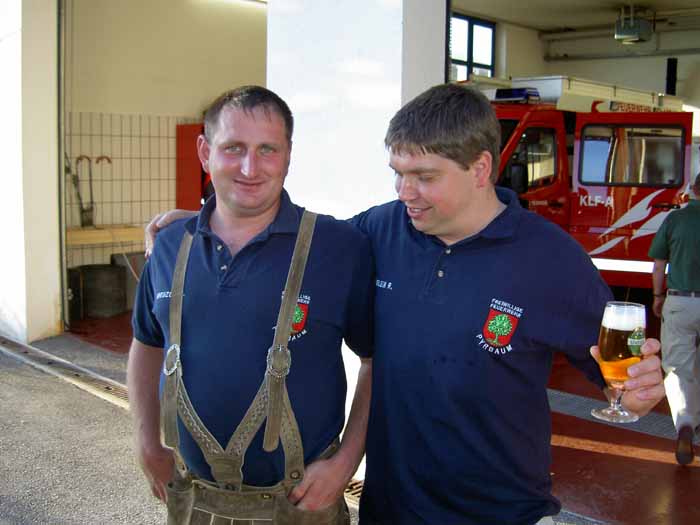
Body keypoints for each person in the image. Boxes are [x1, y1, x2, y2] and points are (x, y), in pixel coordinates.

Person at [146, 83, 665, 525]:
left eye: (424, 177)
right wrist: (205, 221)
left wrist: (639, 390)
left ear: (480, 168)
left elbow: (617, 376)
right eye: (397, 172)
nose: (404, 191)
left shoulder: (551, 260)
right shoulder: (380, 230)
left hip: (500, 510)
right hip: (391, 508)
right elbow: (294, 240)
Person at [128, 85, 374, 524]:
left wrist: (346, 462)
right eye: (233, 148)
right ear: (205, 152)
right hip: (193, 503)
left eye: (267, 150)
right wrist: (146, 442)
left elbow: (376, 362)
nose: (250, 167)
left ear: (288, 156)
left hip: (301, 505)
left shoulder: (339, 247)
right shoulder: (169, 246)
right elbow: (146, 344)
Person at [649, 173, 700, 466]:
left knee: (679, 367)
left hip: (681, 301)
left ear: (693, 190)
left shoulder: (675, 219)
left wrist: (658, 296)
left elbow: (659, 266)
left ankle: (685, 424)